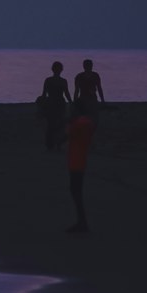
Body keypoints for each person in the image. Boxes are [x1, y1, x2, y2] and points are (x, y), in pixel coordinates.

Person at [66, 100, 96, 233]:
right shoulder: (87, 122)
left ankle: (82, 222)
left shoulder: (78, 124)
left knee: (75, 191)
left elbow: (66, 134)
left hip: (76, 160)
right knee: (76, 191)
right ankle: (81, 221)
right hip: (80, 158)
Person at [40, 61, 71, 150]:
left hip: (55, 103)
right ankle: (56, 144)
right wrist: (71, 103)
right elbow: (66, 94)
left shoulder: (49, 80)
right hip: (57, 103)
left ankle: (52, 144)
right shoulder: (61, 81)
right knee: (57, 124)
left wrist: (43, 104)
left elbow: (44, 94)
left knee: (53, 125)